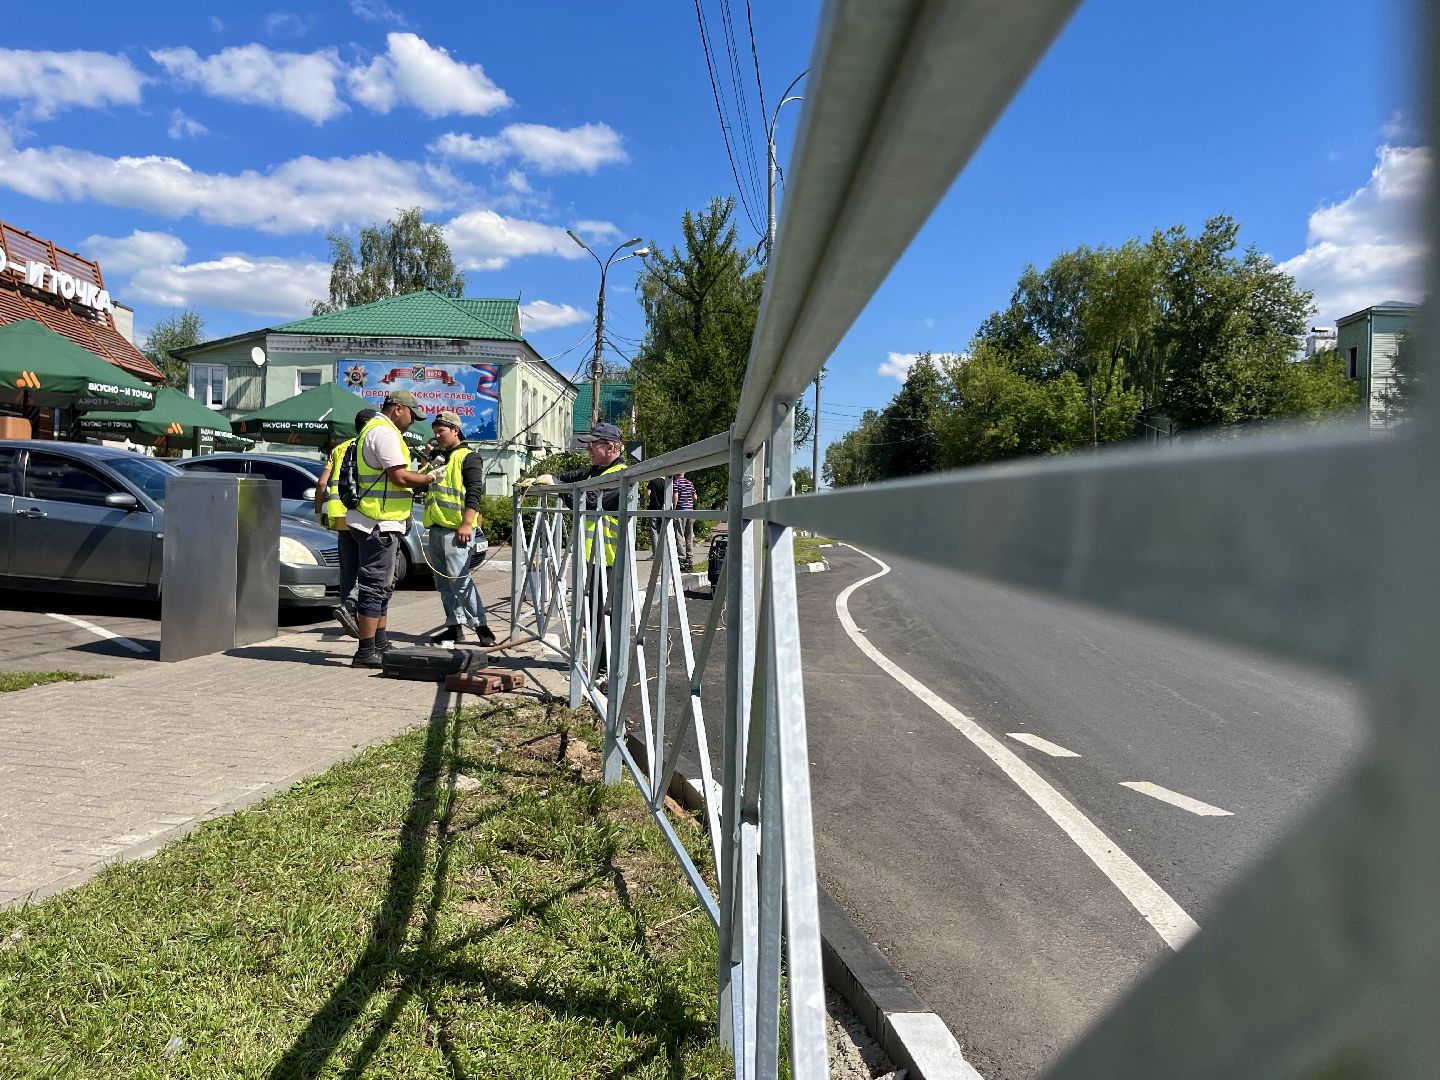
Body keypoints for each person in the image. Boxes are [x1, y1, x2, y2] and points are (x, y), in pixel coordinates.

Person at [523, 421, 626, 687]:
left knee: (606, 616)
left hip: (614, 558)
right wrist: (550, 479)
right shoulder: (596, 471)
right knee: (592, 612)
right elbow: (571, 478)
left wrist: (560, 489)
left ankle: (606, 671)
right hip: (595, 557)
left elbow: (589, 503)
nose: (589, 449)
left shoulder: (621, 476)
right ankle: (595, 663)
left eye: (595, 444)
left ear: (611, 447)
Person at [347, 390, 436, 668]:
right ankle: (365, 652)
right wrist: (429, 477)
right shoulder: (384, 433)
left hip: (377, 519)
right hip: (378, 521)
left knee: (383, 585)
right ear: (398, 409)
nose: (413, 421)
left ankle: (379, 643)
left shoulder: (374, 430)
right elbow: (399, 477)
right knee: (375, 586)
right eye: (412, 415)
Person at [423, 410, 495, 647]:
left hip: (457, 530)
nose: (436, 435)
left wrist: (467, 523)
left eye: (441, 431)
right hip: (436, 527)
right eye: (435, 431)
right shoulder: (440, 457)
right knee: (443, 583)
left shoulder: (469, 457)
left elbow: (474, 492)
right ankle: (454, 627)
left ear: (455, 430)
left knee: (460, 581)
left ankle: (482, 628)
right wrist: (426, 461)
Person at [314, 407, 377, 638]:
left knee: (348, 568)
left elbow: (322, 483)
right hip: (364, 513)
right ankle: (355, 611)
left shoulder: (339, 448)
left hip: (339, 516)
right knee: (371, 567)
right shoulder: (371, 445)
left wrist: (318, 510)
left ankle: (346, 613)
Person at [672, 471, 697, 572]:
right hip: (690, 511)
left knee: (679, 536)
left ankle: (682, 561)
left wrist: (673, 510)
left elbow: (675, 496)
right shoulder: (689, 483)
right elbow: (695, 497)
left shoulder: (676, 483)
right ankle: (690, 560)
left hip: (680, 511)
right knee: (689, 537)